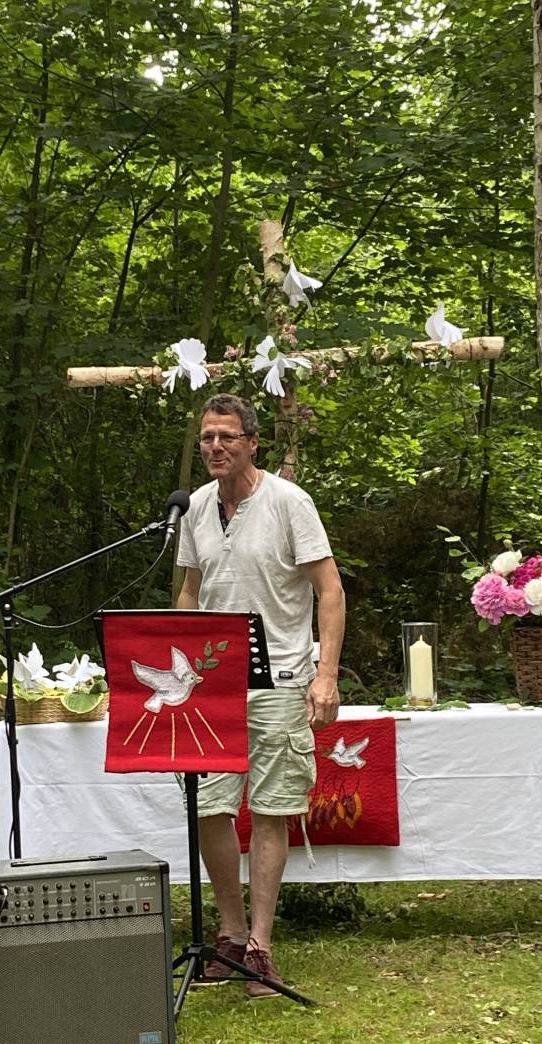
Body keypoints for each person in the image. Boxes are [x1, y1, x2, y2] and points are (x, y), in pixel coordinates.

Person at [176, 393, 345, 997]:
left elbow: (329, 590)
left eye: (226, 436)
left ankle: (261, 947)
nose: (215, 447)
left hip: (280, 681)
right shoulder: (194, 507)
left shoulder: (288, 502)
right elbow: (191, 593)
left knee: (271, 808)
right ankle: (229, 933)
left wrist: (325, 676)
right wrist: (179, 663)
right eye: (206, 438)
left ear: (251, 442)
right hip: (212, 687)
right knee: (209, 807)